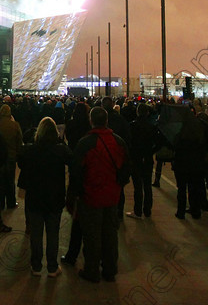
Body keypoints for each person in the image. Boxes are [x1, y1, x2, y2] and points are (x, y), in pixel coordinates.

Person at [69, 107, 130, 283]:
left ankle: (92, 270)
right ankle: (110, 269)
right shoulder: (118, 142)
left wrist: (76, 193)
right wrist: (118, 185)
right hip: (112, 197)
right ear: (107, 121)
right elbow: (126, 168)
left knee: (92, 235)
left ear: (91, 121)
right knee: (110, 234)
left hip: (91, 197)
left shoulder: (85, 143)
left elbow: (76, 172)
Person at [17, 117, 71, 277]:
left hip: (35, 197)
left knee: (36, 234)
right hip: (55, 197)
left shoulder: (30, 150)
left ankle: (36, 266)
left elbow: (21, 163)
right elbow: (74, 161)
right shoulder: (61, 150)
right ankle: (52, 267)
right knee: (53, 232)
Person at [61, 102, 90, 266]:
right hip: (89, 171)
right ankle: (91, 254)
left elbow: (67, 137)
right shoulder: (88, 127)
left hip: (74, 164)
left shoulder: (71, 123)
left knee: (78, 219)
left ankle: (72, 255)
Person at [171, 111, 208, 220]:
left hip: (181, 163)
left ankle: (181, 211)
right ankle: (195, 211)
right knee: (194, 187)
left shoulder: (180, 131)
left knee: (181, 189)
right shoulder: (200, 130)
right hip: (196, 163)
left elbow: (174, 144)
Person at [126, 103, 161, 219]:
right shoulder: (152, 127)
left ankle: (137, 211)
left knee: (137, 186)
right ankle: (147, 210)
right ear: (147, 113)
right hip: (147, 158)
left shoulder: (132, 126)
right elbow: (159, 143)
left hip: (136, 158)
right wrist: (151, 151)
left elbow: (128, 142)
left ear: (137, 112)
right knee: (147, 185)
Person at [0, 104, 23, 211]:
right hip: (11, 157)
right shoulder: (15, 125)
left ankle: (0, 203)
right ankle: (11, 202)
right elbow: (19, 142)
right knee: (10, 181)